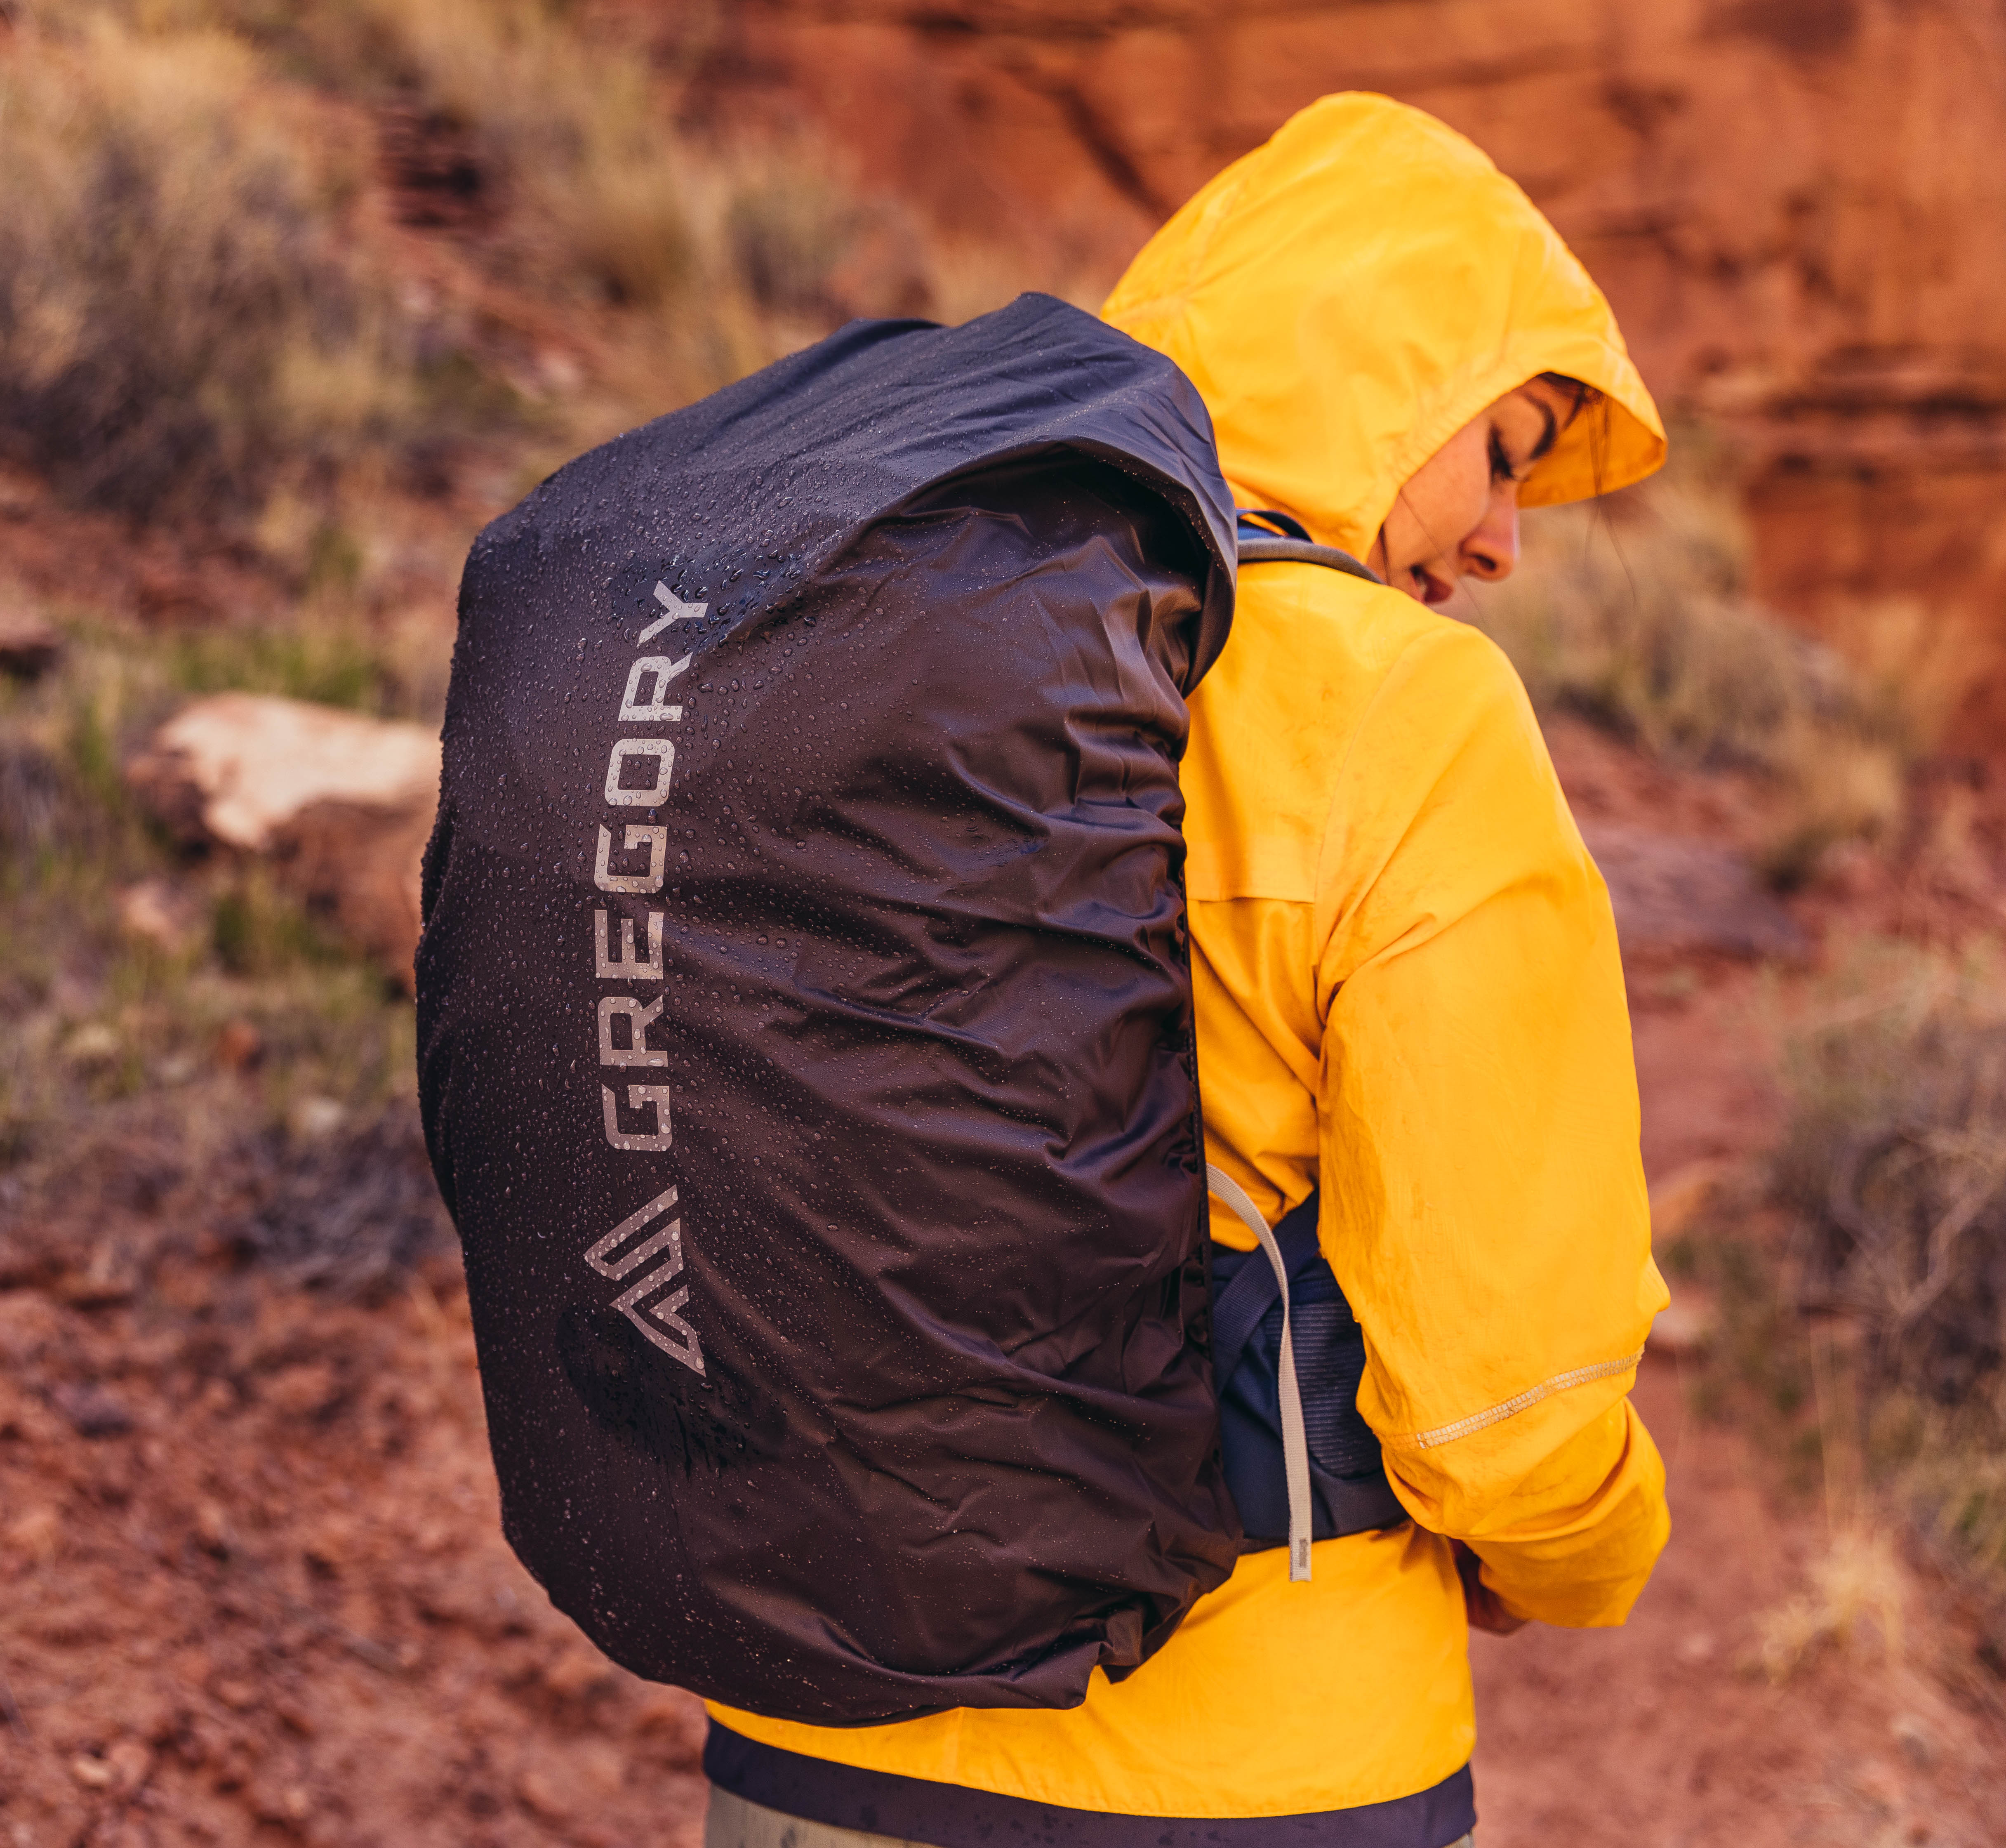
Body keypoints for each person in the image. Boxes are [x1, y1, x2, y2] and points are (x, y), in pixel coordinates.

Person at [700, 92, 1673, 1848]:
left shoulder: (876, 624)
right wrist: (1588, 1554)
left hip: (808, 1727)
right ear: (1380, 375)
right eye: (1505, 450)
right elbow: (1507, 1410)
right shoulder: (1403, 709)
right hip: (1247, 1773)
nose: (1504, 542)